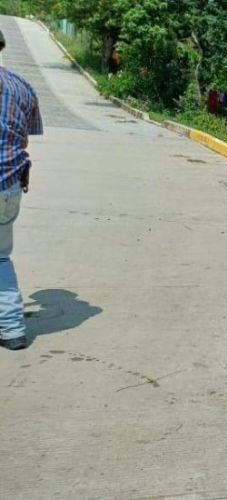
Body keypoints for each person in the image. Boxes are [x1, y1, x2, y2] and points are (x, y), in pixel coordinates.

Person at [0, 30, 43, 351]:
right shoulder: (22, 87)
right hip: (9, 186)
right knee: (0, 258)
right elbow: (25, 139)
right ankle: (12, 327)